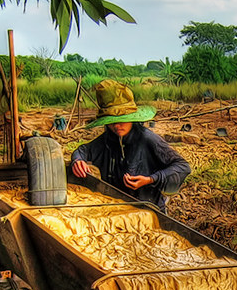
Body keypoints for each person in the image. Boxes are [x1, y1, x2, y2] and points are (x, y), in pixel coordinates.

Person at [70, 80, 191, 210]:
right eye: (111, 122)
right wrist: (77, 160)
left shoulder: (147, 139)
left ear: (131, 117)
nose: (117, 126)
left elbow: (183, 166)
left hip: (147, 208)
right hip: (117, 206)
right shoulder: (107, 139)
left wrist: (150, 179)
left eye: (122, 120)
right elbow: (83, 150)